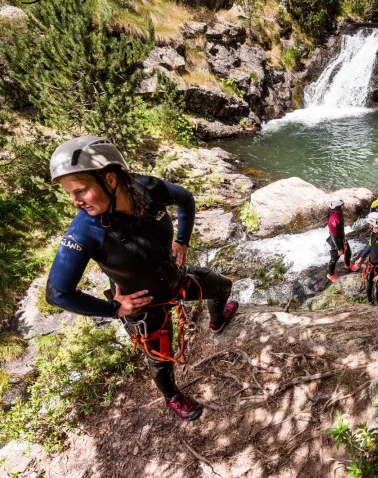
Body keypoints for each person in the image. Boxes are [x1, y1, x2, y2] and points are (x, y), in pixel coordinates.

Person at [45, 136, 240, 421]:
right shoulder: (84, 231)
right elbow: (57, 293)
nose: (75, 202)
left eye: (81, 191)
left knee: (223, 286)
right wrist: (115, 309)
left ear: (111, 180)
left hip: (176, 278)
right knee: (160, 362)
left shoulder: (146, 189)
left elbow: (185, 198)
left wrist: (182, 241)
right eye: (71, 194)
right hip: (143, 305)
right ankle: (172, 396)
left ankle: (218, 319)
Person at [354, 212, 378, 304]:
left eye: (370, 222)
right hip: (372, 263)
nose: (368, 224)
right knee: (369, 282)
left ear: (374, 223)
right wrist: (360, 258)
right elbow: (370, 246)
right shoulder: (373, 233)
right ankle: (370, 302)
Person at [326, 197, 358, 283]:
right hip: (335, 242)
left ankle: (348, 265)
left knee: (348, 252)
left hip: (341, 238)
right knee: (334, 259)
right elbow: (334, 235)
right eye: (342, 205)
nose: (343, 206)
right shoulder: (333, 219)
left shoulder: (338, 213)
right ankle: (331, 274)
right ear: (338, 206)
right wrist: (339, 248)